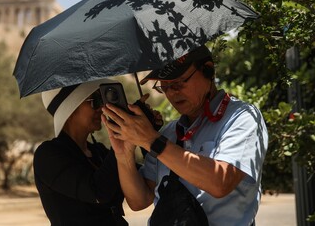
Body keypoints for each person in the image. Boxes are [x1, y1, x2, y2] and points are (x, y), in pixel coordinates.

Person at [102, 45, 268, 226]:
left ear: (208, 70)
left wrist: (150, 140)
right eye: (164, 86)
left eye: (179, 82)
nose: (172, 92)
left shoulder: (242, 117)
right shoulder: (168, 133)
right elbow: (139, 201)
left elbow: (220, 182)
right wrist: (124, 153)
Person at [33, 78, 129, 226]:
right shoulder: (48, 155)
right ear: (70, 110)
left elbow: (141, 176)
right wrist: (121, 141)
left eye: (102, 99)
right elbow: (98, 192)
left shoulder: (99, 152)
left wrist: (147, 137)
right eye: (95, 100)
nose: (102, 107)